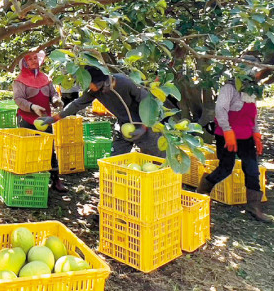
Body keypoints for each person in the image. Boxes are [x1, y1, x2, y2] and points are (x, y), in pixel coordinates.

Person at [197, 62, 273, 222]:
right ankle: (202, 192)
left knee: (252, 169)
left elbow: (252, 115)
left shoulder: (251, 91)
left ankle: (254, 207)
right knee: (225, 168)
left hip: (245, 137)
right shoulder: (229, 88)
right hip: (227, 136)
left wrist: (256, 133)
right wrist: (227, 130)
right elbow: (220, 110)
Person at [41, 66, 166, 158]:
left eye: (89, 84)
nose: (88, 87)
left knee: (157, 159)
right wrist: (53, 118)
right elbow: (76, 104)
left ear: (101, 81)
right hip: (124, 126)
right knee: (115, 159)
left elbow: (148, 104)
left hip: (145, 125)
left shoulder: (125, 82)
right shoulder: (94, 91)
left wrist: (144, 127)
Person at [12, 50, 68, 193]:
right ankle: (30, 180)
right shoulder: (19, 80)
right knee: (29, 149)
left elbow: (53, 94)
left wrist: (56, 101)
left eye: (35, 58)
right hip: (27, 119)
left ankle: (55, 179)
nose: (33, 61)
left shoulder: (45, 78)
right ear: (24, 62)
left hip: (44, 120)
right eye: (29, 59)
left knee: (49, 148)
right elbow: (18, 99)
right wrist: (32, 107)